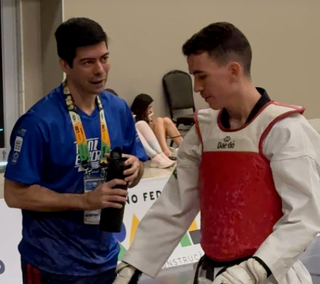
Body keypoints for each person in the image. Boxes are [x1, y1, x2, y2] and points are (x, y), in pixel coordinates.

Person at [113, 22, 320, 284]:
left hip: (269, 275)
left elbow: (304, 217)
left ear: (233, 70)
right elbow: (175, 206)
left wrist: (252, 271)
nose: (197, 87)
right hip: (213, 274)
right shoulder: (203, 132)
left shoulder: (284, 129)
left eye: (202, 76)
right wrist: (134, 263)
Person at [4, 17, 148, 284]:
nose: (100, 70)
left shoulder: (117, 109)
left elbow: (138, 164)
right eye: (87, 62)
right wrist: (84, 201)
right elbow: (14, 194)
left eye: (104, 58)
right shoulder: (39, 121)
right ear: (64, 65)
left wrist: (136, 168)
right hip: (52, 263)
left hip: (104, 256)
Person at [131, 93, 183, 159]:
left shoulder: (145, 116)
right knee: (158, 120)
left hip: (155, 145)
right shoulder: (133, 117)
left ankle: (183, 147)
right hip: (146, 148)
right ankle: (166, 151)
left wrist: (149, 119)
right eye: (149, 107)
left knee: (166, 120)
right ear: (142, 108)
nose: (151, 110)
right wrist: (149, 121)